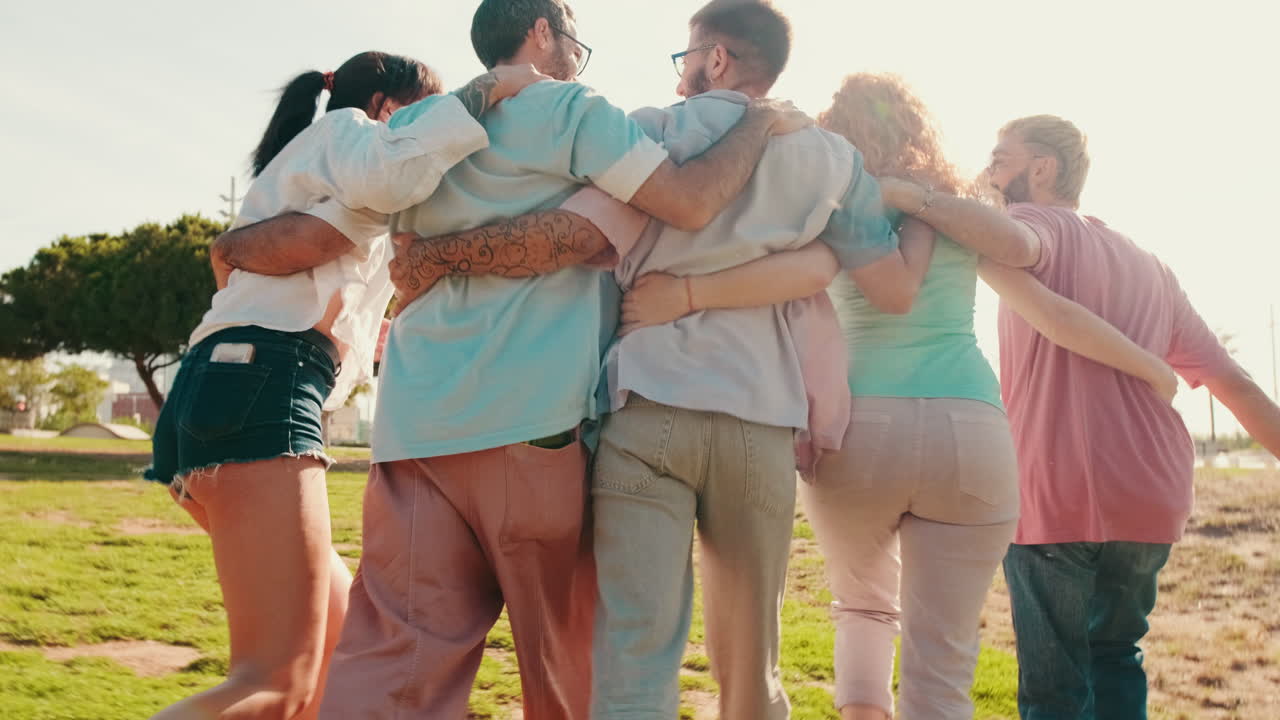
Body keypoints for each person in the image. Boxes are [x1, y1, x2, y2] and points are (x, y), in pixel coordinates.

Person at [227, 1, 811, 717]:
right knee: (566, 670)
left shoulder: (410, 128)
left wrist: (235, 251)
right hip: (534, 427)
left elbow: (331, 230)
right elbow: (687, 203)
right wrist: (757, 118)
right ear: (543, 32)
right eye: (575, 39)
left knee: (393, 667)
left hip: (414, 431)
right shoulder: (574, 110)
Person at [619, 73, 1178, 720]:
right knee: (942, 658)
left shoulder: (826, 201)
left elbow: (784, 276)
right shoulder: (954, 213)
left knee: (862, 608)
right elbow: (1051, 310)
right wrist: (1152, 370)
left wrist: (679, 297)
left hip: (860, 431)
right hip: (970, 433)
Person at [145, 52, 545, 720]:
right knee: (275, 684)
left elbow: (266, 263)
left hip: (218, 387)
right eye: (419, 111)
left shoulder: (321, 177)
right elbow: (389, 174)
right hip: (264, 386)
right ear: (386, 106)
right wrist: (492, 88)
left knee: (338, 653)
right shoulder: (351, 134)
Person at [879, 114, 1280, 719]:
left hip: (1060, 493)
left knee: (1055, 688)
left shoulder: (1032, 223)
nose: (988, 169)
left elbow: (1012, 246)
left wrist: (916, 197)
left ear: (1043, 168)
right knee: (1117, 656)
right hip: (1150, 494)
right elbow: (1237, 384)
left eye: (1000, 156)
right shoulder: (1152, 266)